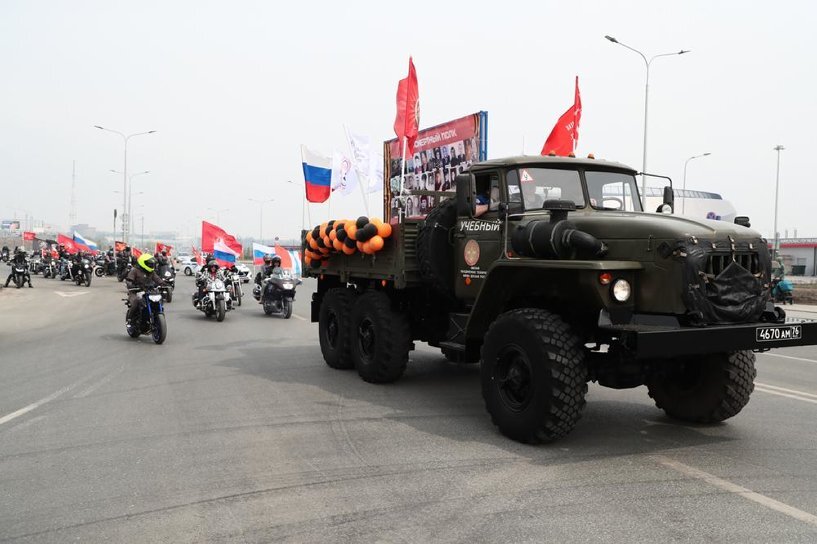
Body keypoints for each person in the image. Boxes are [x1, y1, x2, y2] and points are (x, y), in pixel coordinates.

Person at [124, 254, 165, 325]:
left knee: (159, 299)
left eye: (152, 264)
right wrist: (131, 285)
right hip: (136, 292)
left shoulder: (151, 272)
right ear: (143, 263)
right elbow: (129, 280)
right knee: (136, 302)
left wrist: (164, 284)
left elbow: (157, 279)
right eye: (150, 264)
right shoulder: (135, 271)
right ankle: (130, 319)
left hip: (149, 291)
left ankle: (157, 316)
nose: (151, 266)